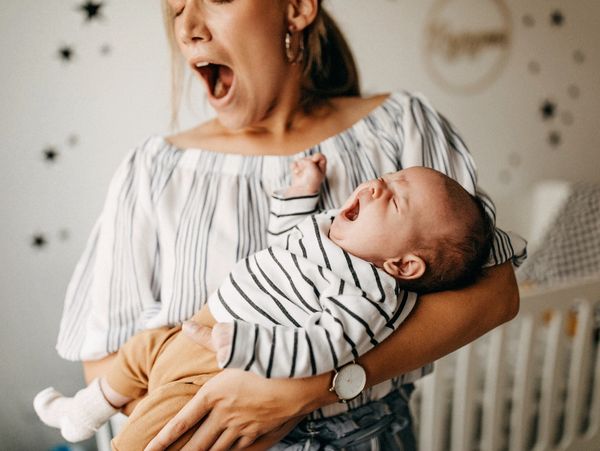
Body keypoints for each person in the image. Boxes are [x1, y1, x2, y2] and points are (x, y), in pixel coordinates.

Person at [55, 0, 526, 449]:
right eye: (176, 7)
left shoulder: (401, 126)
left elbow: (495, 293)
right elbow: (104, 365)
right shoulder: (153, 171)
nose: (186, 27)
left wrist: (305, 391)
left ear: (297, 7)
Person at [36, 155, 497, 449]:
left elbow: (325, 348)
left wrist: (244, 346)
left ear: (404, 266)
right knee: (140, 350)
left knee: (160, 430)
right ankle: (83, 413)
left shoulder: (370, 297)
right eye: (391, 177)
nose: (378, 185)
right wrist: (303, 193)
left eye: (396, 200)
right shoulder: (330, 230)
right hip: (192, 334)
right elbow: (284, 239)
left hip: (221, 372)